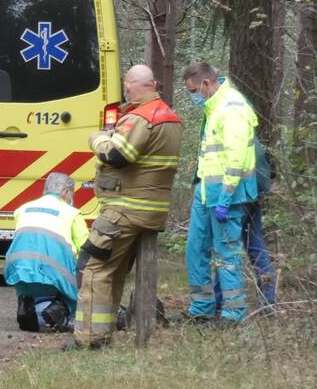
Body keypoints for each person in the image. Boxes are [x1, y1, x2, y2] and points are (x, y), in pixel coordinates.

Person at [67, 64, 182, 350]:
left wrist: (98, 139)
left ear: (133, 85)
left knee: (92, 268)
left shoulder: (141, 118)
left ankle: (89, 340)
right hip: (149, 208)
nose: (125, 90)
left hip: (125, 210)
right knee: (113, 271)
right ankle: (102, 334)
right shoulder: (170, 117)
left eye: (127, 85)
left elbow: (118, 155)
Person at [182, 61, 259, 326]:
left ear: (206, 83)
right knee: (195, 249)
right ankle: (202, 307)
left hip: (226, 196)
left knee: (226, 254)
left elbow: (236, 159)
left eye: (194, 90)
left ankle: (233, 313)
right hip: (205, 192)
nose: (194, 96)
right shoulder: (214, 108)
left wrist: (225, 199)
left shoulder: (232, 108)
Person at [4, 173, 89, 333]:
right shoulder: (71, 214)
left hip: (18, 273)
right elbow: (85, 249)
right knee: (80, 278)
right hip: (52, 275)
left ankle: (27, 303)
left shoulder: (23, 209)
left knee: (33, 273)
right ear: (65, 192)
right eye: (71, 193)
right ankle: (64, 314)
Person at [213, 135, 277, 310]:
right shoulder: (252, 137)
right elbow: (271, 169)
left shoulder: (232, 135)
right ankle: (268, 301)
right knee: (256, 247)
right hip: (255, 194)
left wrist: (223, 199)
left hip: (238, 196)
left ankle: (219, 302)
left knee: (226, 248)